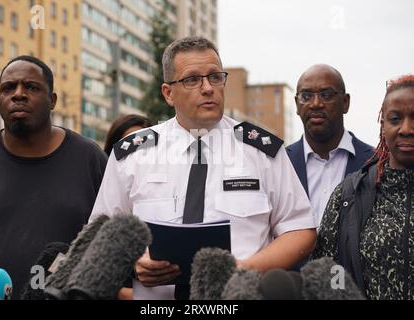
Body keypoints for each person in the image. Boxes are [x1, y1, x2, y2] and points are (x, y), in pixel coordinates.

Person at [89, 36, 316, 300]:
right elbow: (100, 233)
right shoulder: (133, 154)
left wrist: (243, 271)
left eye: (215, 77)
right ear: (168, 93)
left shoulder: (262, 151)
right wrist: (135, 262)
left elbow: (299, 230)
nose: (207, 88)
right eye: (192, 79)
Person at [0, 55, 107, 299]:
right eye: (8, 88)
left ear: (52, 101)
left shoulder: (90, 158)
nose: (18, 94)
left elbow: (107, 242)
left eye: (31, 87)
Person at [312, 74, 414, 300]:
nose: (406, 129)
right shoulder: (350, 194)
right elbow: (328, 269)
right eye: (395, 119)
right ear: (383, 125)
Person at [286, 64, 374, 227]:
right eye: (306, 96)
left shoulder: (374, 162)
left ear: (345, 102)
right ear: (297, 105)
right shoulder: (280, 163)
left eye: (326, 95)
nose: (316, 104)